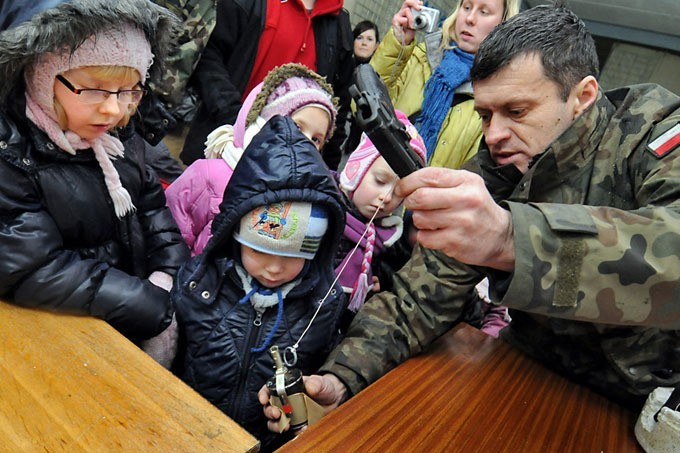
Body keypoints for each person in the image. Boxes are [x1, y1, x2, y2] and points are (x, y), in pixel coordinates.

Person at [260, 4, 680, 427]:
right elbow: (417, 299)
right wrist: (342, 379)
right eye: (484, 114)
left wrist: (511, 242)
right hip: (523, 381)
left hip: (645, 411)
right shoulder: (498, 170)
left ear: (583, 98)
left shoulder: (654, 130)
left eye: (516, 111)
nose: (494, 134)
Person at [0, 0, 190, 366]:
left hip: (124, 317)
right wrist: (144, 301)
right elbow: (30, 266)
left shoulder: (121, 139)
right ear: (43, 77)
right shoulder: (14, 155)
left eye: (129, 91)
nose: (114, 110)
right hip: (57, 340)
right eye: (96, 90)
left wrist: (168, 271)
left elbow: (151, 207)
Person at [172, 115, 347, 450]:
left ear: (317, 250)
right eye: (260, 250)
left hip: (264, 442)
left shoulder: (323, 304)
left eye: (294, 256)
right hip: (189, 432)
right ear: (234, 235)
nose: (274, 267)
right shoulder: (198, 283)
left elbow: (323, 368)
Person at [165, 63, 338, 255]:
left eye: (316, 139)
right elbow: (171, 233)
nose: (304, 141)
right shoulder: (210, 175)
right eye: (297, 127)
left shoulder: (305, 201)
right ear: (263, 121)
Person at [179, 0, 354, 170]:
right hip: (223, 148)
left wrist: (327, 173)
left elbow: (339, 101)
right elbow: (210, 56)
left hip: (287, 172)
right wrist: (234, 116)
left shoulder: (338, 23)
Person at [371, 0, 520, 169]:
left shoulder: (500, 98)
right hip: (377, 182)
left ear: (504, 23)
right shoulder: (422, 57)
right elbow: (364, 106)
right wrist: (397, 44)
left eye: (484, 12)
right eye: (467, 7)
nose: (470, 18)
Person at [334, 110, 426, 318]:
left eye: (397, 192)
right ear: (357, 169)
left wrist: (378, 282)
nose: (385, 197)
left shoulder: (391, 240)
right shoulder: (324, 210)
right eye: (379, 181)